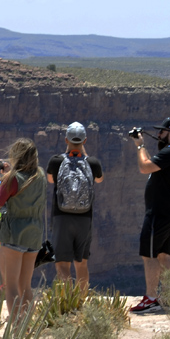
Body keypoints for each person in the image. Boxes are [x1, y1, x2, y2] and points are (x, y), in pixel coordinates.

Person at [129, 117, 170, 314]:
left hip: (160, 213)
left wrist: (140, 146)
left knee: (149, 254)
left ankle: (151, 299)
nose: (159, 135)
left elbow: (144, 166)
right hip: (169, 213)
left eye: (162, 131)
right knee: (163, 255)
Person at [0, 138, 45, 320]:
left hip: (13, 236)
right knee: (25, 286)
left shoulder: (12, 179)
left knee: (11, 286)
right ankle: (27, 329)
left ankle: (17, 330)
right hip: (33, 235)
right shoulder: (40, 175)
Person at [46, 122, 104, 293]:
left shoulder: (56, 161)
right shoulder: (93, 163)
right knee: (82, 263)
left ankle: (67, 303)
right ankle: (81, 302)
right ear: (85, 141)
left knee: (63, 264)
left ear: (66, 139)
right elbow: (99, 180)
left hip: (61, 216)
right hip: (85, 217)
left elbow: (51, 180)